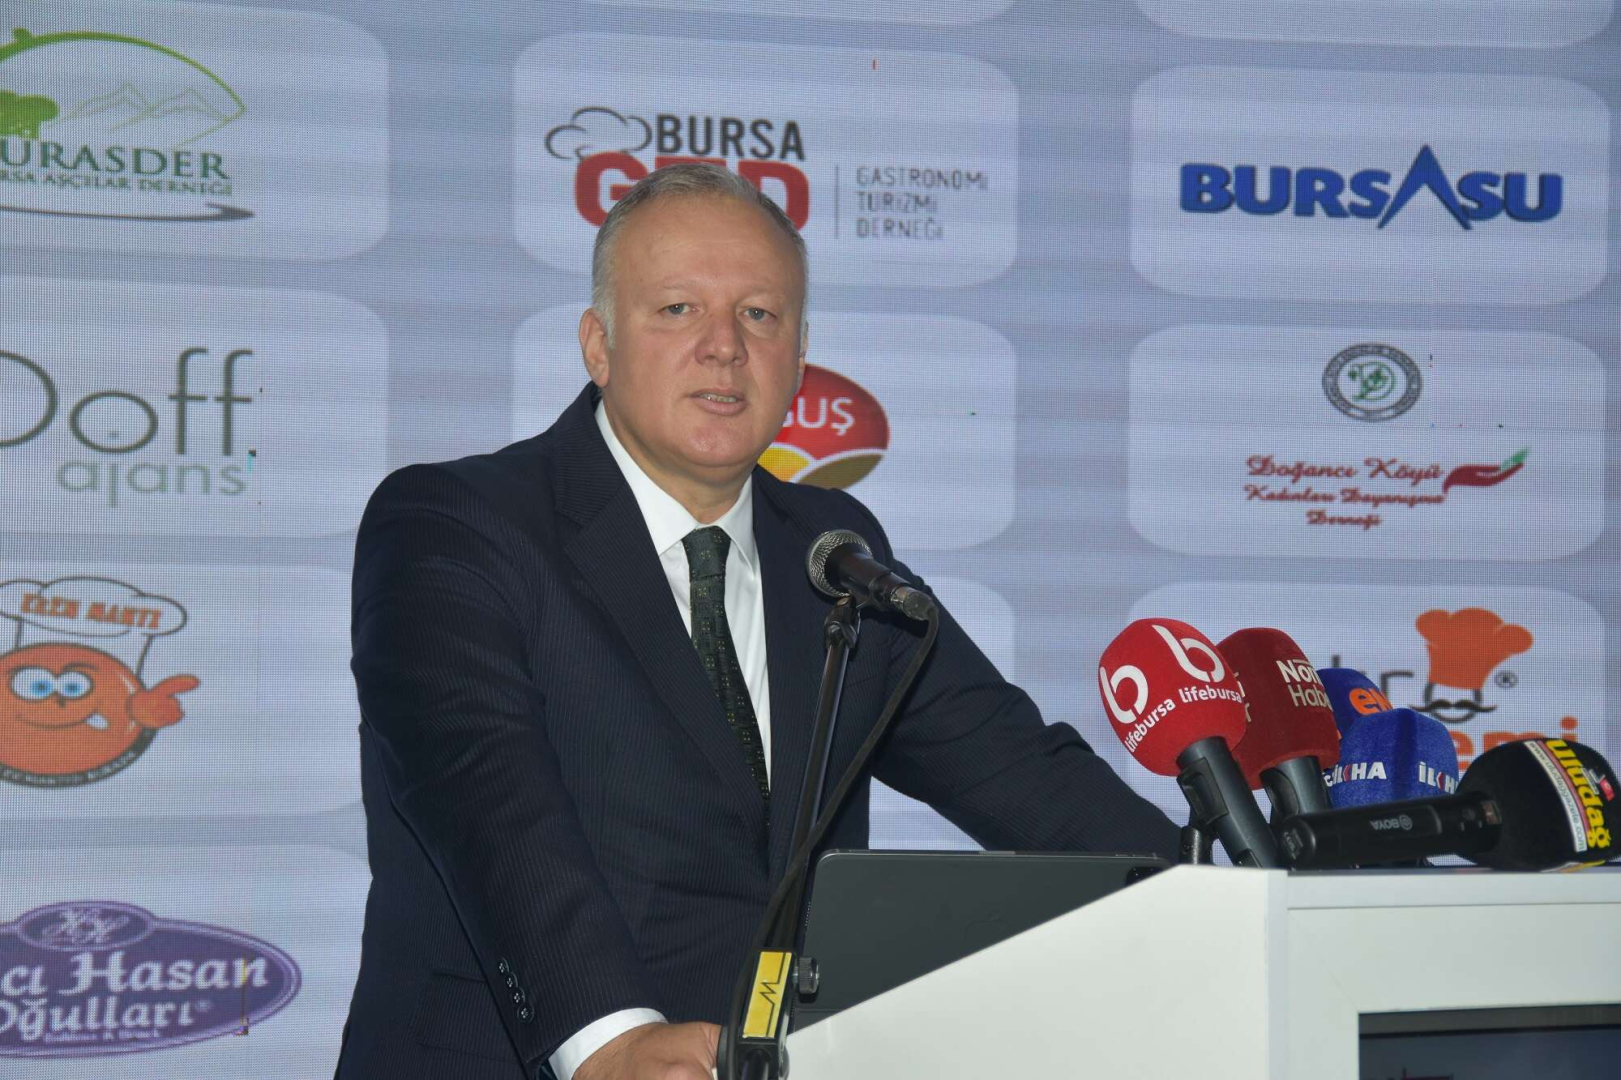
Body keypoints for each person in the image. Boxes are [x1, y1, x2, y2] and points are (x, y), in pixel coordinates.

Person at [334, 163, 1178, 1080]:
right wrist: (608, 1039)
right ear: (598, 345)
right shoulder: (456, 524)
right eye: (677, 309)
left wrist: (1234, 899)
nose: (724, 348)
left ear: (799, 355)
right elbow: (487, 804)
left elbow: (1025, 776)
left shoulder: (834, 552)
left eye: (759, 315)